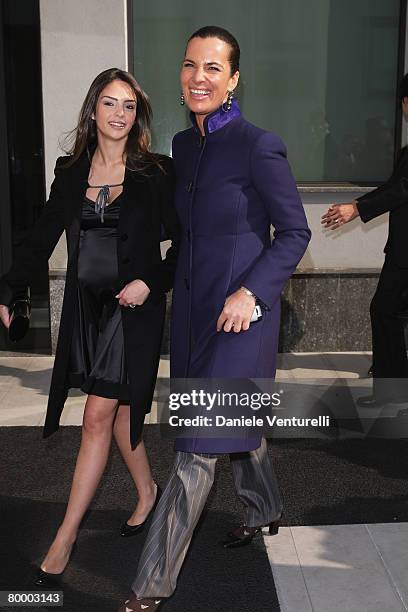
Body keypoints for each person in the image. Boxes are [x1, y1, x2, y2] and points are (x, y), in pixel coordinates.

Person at [119, 27, 311, 611]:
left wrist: (250, 291)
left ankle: (151, 583)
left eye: (211, 68)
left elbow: (295, 232)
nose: (197, 77)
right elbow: (185, 234)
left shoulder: (259, 144)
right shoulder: (182, 146)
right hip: (192, 316)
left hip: (241, 319)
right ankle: (264, 510)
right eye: (188, 66)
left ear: (232, 80)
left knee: (199, 446)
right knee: (235, 423)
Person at [0, 68, 179, 585]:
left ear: (137, 115)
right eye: (109, 103)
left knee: (98, 415)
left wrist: (152, 281)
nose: (119, 114)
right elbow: (40, 238)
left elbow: (183, 244)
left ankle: (64, 537)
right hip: (89, 310)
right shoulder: (71, 170)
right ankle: (148, 492)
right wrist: (9, 287)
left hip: (133, 309)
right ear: (92, 111)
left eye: (128, 106)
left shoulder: (155, 172)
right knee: (121, 413)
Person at [321, 73, 408, 407]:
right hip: (401, 251)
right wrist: (355, 207)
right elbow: (392, 189)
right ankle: (392, 381)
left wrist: (356, 208)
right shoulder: (405, 152)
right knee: (387, 312)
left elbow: (402, 190)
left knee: (384, 310)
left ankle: (392, 388)